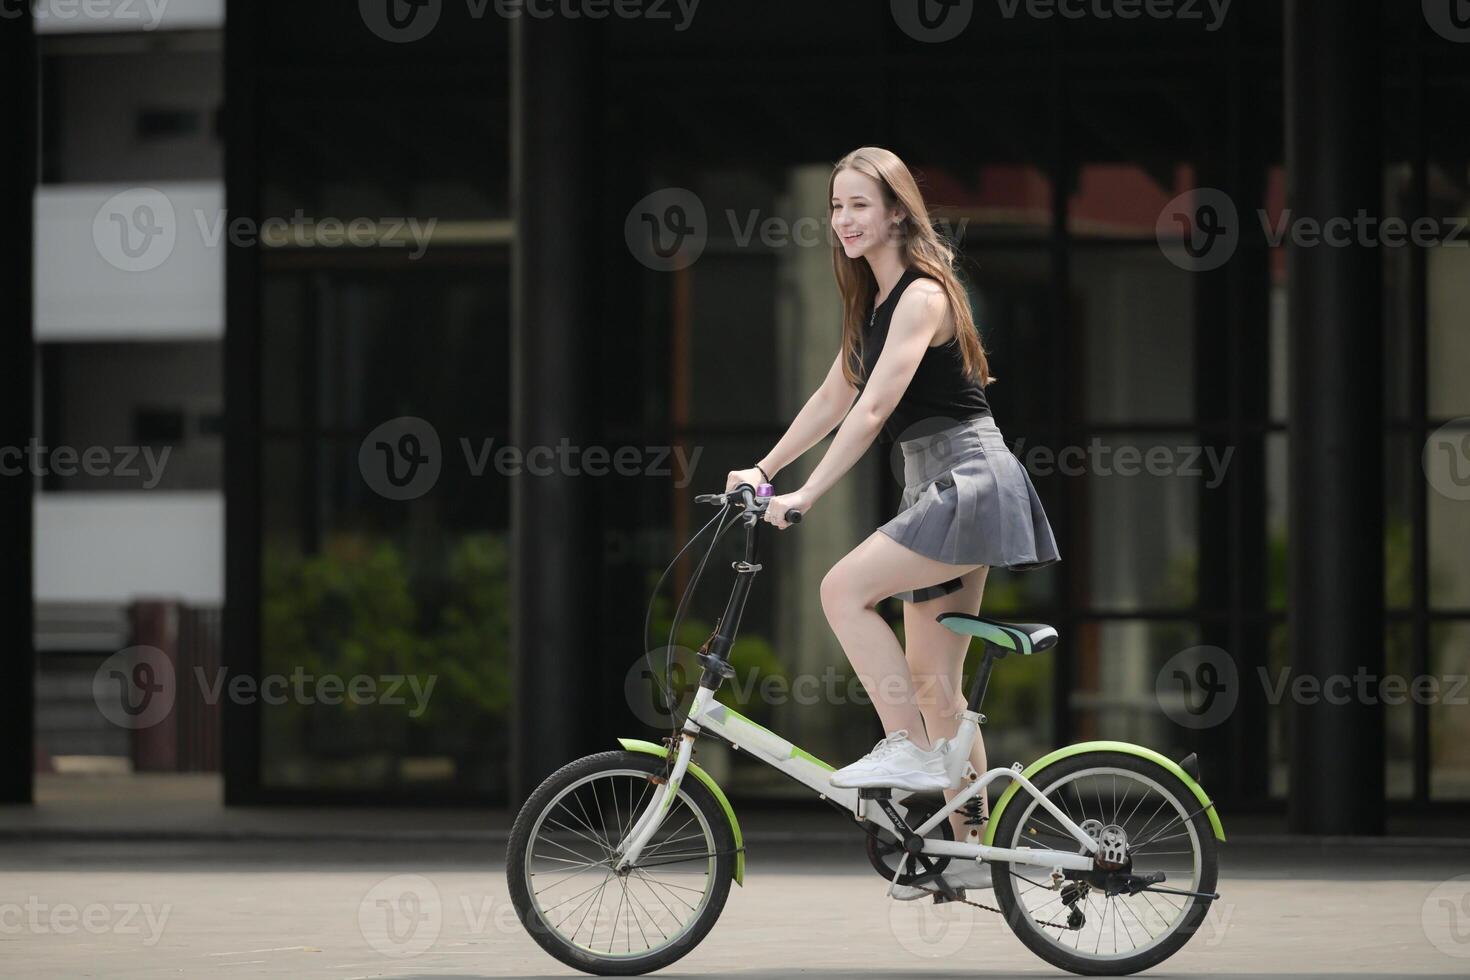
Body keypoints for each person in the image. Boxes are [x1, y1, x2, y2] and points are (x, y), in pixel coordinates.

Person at [725, 146, 1060, 897]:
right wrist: (764, 470)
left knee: (841, 590)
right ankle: (974, 850)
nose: (843, 220)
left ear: (898, 212)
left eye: (859, 206)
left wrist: (806, 495)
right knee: (936, 683)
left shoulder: (921, 295)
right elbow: (831, 399)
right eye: (836, 206)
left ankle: (903, 746)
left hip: (967, 480)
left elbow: (875, 409)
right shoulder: (872, 305)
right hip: (940, 486)